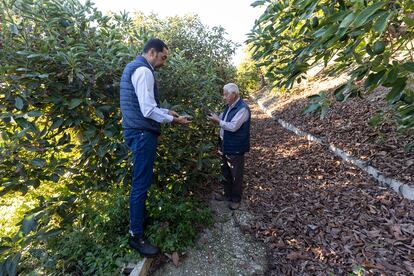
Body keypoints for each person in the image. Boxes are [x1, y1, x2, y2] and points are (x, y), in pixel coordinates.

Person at [120, 38, 190, 257]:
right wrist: (174, 121)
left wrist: (168, 112)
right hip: (142, 133)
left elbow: (145, 105)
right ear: (152, 52)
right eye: (163, 57)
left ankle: (139, 220)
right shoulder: (144, 71)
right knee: (140, 183)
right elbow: (148, 110)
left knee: (142, 180)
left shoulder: (134, 67)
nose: (164, 62)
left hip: (136, 131)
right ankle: (136, 236)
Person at [207, 83, 251, 210]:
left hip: (235, 146)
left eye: (226, 94)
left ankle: (236, 199)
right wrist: (215, 116)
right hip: (225, 145)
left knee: (236, 174)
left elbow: (232, 126)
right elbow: (223, 118)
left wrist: (218, 121)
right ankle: (227, 195)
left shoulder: (242, 108)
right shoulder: (229, 107)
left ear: (234, 94)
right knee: (225, 171)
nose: (224, 97)